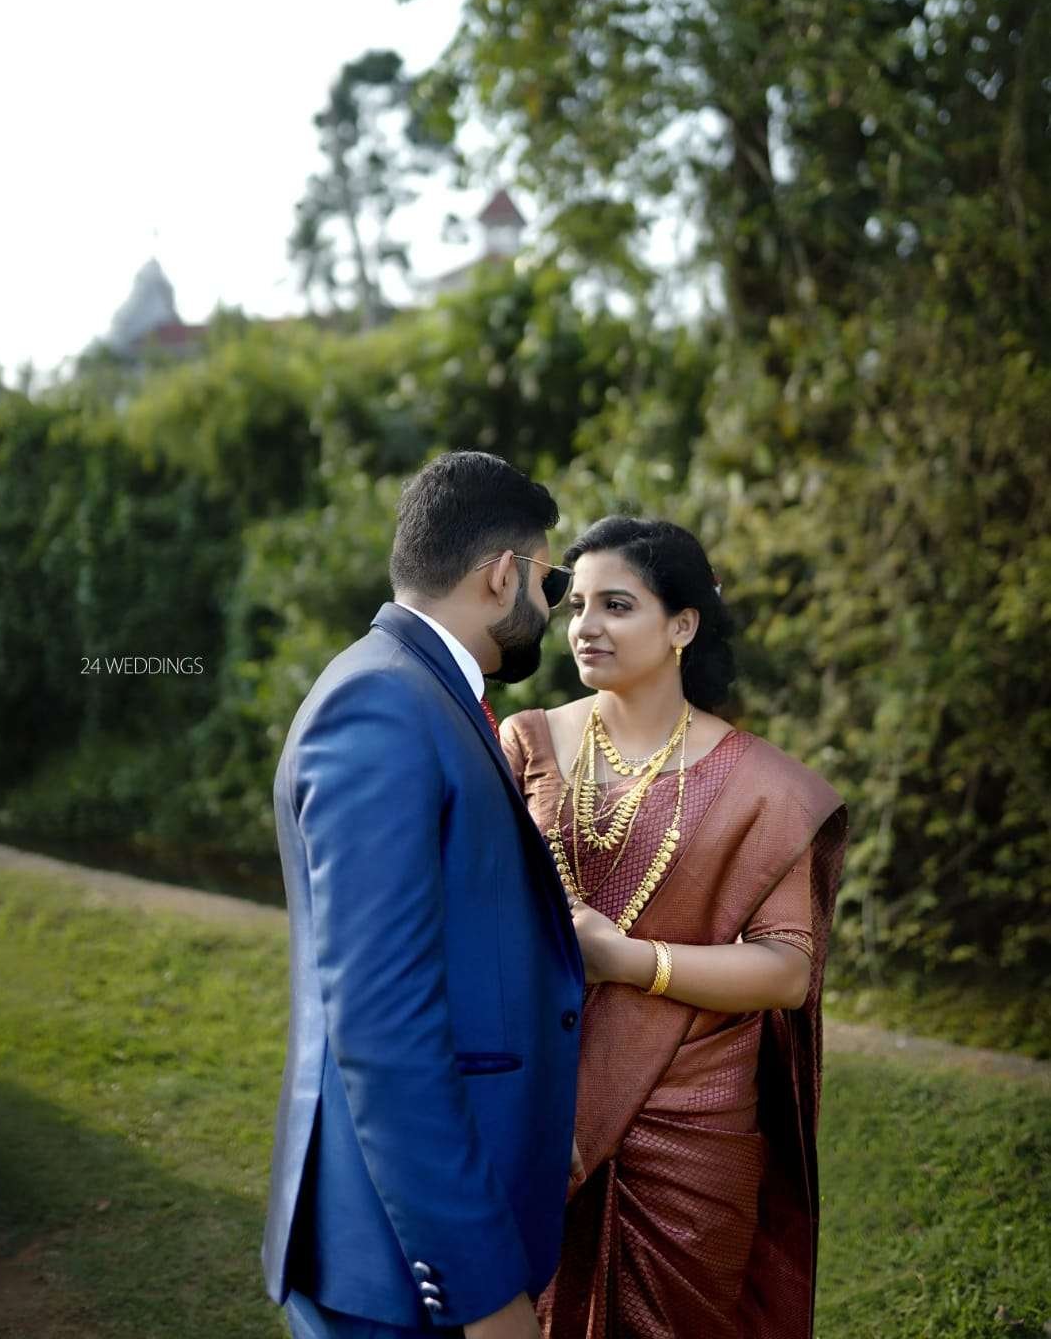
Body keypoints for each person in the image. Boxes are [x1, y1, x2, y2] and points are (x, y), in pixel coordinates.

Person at [262, 451, 584, 1339]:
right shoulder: (382, 706)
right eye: (551, 583)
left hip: (419, 1227)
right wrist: (481, 1291)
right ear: (503, 574)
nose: (551, 607)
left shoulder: (420, 692)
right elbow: (381, 1027)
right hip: (398, 1265)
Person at [500, 516, 847, 1339]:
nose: (586, 626)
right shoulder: (528, 743)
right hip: (541, 1101)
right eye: (577, 605)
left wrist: (626, 960)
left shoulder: (764, 789)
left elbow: (786, 970)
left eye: (616, 605)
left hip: (695, 1127)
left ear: (683, 625)